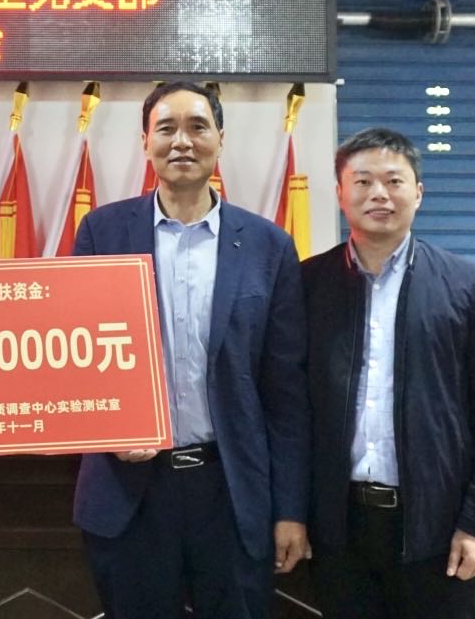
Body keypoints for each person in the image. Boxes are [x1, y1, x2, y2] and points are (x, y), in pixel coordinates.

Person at [68, 81, 310, 619]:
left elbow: (287, 392)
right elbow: (74, 362)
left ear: (221, 139)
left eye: (198, 127)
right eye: (166, 128)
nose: (182, 141)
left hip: (231, 490)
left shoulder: (268, 245)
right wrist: (109, 430)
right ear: (145, 142)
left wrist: (291, 510)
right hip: (130, 492)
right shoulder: (103, 232)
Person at [303, 127, 475, 619]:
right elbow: (290, 410)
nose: (378, 194)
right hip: (337, 529)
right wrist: (292, 515)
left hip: (439, 531)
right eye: (362, 181)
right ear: (340, 194)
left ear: (418, 193)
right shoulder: (307, 284)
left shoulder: (473, 288)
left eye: (393, 181)